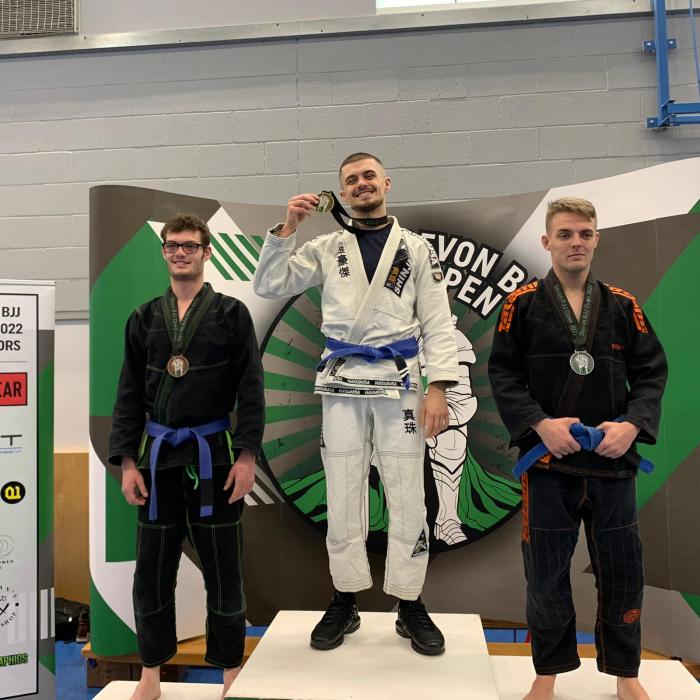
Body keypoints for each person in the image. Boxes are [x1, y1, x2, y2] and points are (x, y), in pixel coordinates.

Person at [253, 153, 459, 655]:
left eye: (369, 176)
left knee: (408, 492)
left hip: (400, 382)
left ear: (386, 183)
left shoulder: (416, 250)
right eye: (352, 180)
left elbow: (437, 321)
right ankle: (345, 598)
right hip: (342, 381)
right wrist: (288, 228)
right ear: (342, 194)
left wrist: (439, 387)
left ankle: (409, 602)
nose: (362, 184)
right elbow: (269, 284)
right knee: (343, 490)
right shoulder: (327, 247)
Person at [488, 198, 667, 700]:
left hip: (612, 464)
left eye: (585, 234)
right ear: (547, 241)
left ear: (596, 240)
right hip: (549, 464)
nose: (576, 243)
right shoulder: (521, 304)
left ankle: (626, 674)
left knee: (623, 571)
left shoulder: (622, 305)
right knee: (545, 574)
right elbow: (503, 375)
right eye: (565, 234)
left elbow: (652, 373)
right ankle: (546, 674)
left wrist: (631, 426)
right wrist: (539, 424)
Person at [109, 213, 264, 700]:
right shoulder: (143, 318)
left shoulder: (231, 314)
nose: (180, 253)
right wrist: (127, 462)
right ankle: (151, 674)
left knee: (224, 571)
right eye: (173, 245)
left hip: (215, 458)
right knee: (151, 573)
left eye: (190, 246)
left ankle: (230, 671)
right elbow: (128, 394)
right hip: (157, 463)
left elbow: (251, 388)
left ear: (206, 252)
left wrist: (247, 456)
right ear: (163, 252)